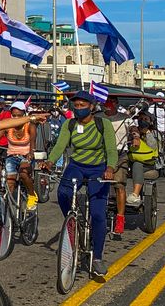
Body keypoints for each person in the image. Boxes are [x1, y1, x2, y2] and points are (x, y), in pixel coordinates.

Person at [42, 90, 117, 277]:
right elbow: (60, 146)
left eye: (83, 105)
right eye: (76, 105)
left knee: (99, 214)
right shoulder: (70, 124)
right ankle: (72, 222)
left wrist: (110, 168)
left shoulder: (103, 124)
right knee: (62, 193)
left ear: (92, 107)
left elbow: (111, 149)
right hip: (77, 165)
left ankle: (97, 257)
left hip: (98, 168)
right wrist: (50, 161)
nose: (79, 108)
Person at [4, 101, 38, 211]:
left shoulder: (30, 125)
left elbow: (33, 143)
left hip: (25, 156)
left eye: (19, 115)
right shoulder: (7, 124)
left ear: (24, 114)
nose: (16, 118)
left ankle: (32, 195)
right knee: (9, 181)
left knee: (23, 174)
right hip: (11, 156)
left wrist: (31, 153)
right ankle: (9, 206)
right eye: (14, 115)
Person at [106, 97, 131, 235]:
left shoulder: (125, 118)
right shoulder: (98, 117)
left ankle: (120, 219)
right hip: (101, 154)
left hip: (120, 153)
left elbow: (133, 128)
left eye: (112, 102)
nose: (108, 105)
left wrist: (135, 135)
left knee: (119, 185)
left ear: (116, 104)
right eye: (106, 102)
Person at [126, 115, 159, 206]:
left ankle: (135, 195)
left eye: (145, 119)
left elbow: (153, 146)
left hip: (147, 164)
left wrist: (147, 133)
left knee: (137, 164)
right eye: (140, 119)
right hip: (130, 161)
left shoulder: (154, 133)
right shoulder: (133, 132)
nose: (142, 121)